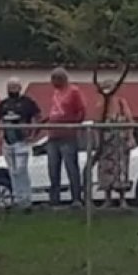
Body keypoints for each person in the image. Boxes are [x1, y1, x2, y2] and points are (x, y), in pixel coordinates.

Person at [0, 76, 41, 211]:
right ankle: (17, 198)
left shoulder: (27, 102)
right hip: (7, 142)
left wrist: (33, 133)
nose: (12, 89)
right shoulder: (4, 104)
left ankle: (26, 200)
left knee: (21, 170)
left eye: (14, 86)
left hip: (22, 142)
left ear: (20, 88)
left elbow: (38, 117)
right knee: (12, 171)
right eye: (10, 86)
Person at [44, 67, 86, 207]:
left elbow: (81, 111)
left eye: (54, 80)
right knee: (53, 168)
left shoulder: (74, 91)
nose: (52, 83)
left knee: (71, 167)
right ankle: (54, 199)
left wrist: (73, 124)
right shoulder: (55, 93)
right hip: (53, 136)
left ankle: (76, 198)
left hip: (67, 136)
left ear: (61, 79)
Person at [92, 82, 136, 207]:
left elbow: (130, 121)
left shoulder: (121, 103)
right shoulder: (101, 105)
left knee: (121, 170)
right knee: (106, 170)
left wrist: (130, 137)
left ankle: (122, 199)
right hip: (106, 144)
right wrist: (97, 142)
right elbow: (96, 125)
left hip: (120, 143)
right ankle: (107, 199)